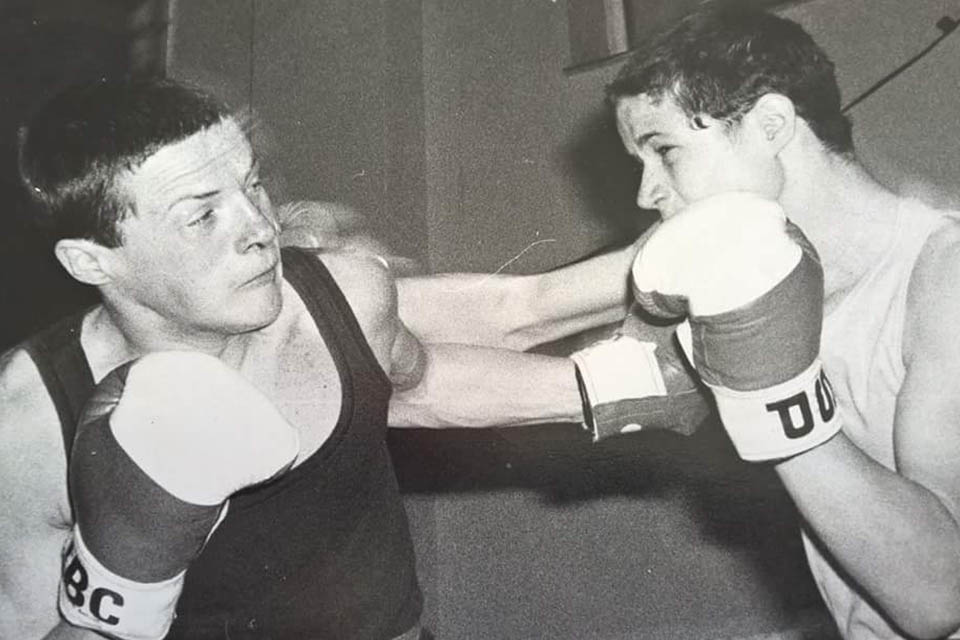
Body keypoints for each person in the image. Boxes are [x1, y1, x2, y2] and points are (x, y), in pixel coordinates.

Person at [0, 77, 708, 639]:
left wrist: (690, 275)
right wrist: (120, 592)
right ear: (92, 261)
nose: (259, 228)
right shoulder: (28, 425)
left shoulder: (340, 293)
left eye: (252, 186)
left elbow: (421, 379)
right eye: (202, 214)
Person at [511, 4, 959, 638]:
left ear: (772, 123)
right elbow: (522, 312)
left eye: (664, 150)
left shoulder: (945, 276)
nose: (645, 193)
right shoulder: (733, 267)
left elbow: (941, 595)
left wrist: (777, 397)